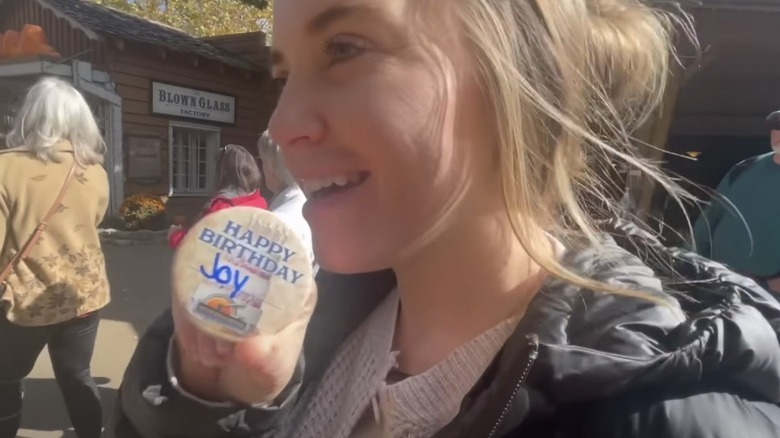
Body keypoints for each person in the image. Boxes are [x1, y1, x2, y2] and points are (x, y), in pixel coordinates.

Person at [113, 1, 780, 437]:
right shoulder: (299, 325)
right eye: (283, 73)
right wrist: (217, 402)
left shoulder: (668, 416)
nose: (282, 126)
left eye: (345, 48)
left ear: (518, 79)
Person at [0, 77, 110, 438]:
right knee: (77, 375)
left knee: (5, 378)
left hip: (25, 300)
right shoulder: (94, 171)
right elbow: (91, 222)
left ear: (30, 116)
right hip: (83, 294)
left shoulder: (5, 167)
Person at [693, 110, 780, 293]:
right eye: (777, 127)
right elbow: (708, 221)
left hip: (771, 303)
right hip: (718, 289)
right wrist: (691, 265)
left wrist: (768, 286)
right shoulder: (744, 168)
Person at [168, 144, 268, 249]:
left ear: (223, 173)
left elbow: (196, 246)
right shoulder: (260, 201)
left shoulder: (221, 208)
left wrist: (174, 235)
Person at [257, 130, 313, 262]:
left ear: (272, 167)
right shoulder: (309, 206)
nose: (261, 168)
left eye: (262, 161)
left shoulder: (277, 223)